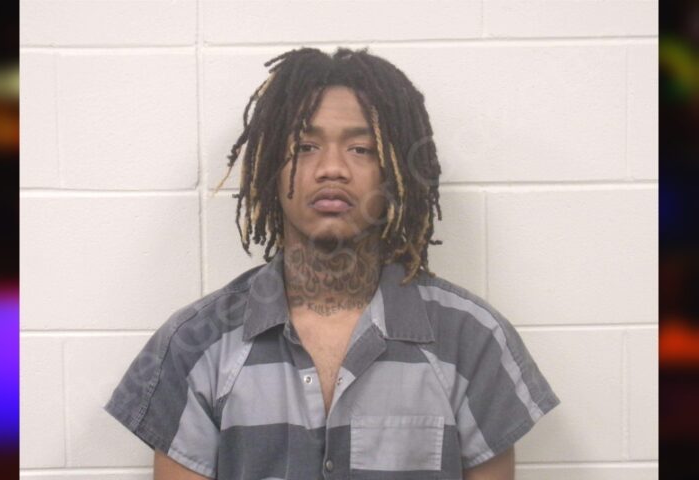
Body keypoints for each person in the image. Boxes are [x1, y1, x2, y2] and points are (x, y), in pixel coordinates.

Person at [104, 46, 560, 480]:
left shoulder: (473, 341)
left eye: (361, 149)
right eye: (305, 146)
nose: (332, 168)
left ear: (394, 171)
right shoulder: (196, 345)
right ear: (269, 167)